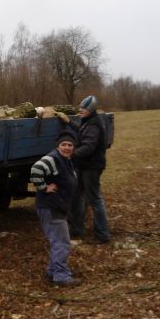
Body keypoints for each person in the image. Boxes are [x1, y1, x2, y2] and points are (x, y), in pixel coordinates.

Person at [31, 130, 83, 287]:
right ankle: (61, 276)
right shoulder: (53, 158)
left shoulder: (65, 159)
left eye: (70, 145)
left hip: (56, 207)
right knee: (61, 242)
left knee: (58, 241)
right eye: (63, 145)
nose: (67, 148)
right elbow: (36, 169)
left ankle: (53, 271)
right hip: (51, 207)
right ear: (58, 146)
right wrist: (43, 187)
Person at [57, 95, 110, 244]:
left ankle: (102, 234)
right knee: (77, 195)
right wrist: (69, 122)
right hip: (83, 165)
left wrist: (70, 154)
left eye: (83, 108)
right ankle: (77, 229)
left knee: (95, 200)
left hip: (91, 167)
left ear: (91, 110)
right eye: (80, 107)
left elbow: (88, 146)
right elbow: (82, 131)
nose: (80, 110)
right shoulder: (89, 121)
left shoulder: (94, 125)